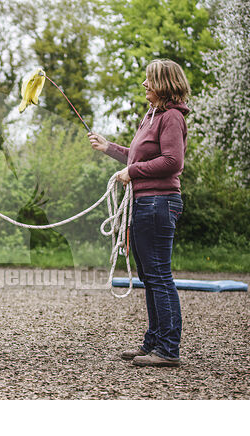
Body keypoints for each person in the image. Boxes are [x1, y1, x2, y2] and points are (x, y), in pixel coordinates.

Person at [88, 59, 191, 367]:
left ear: (164, 85)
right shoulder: (152, 116)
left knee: (159, 275)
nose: (145, 85)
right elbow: (137, 156)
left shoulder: (171, 117)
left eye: (150, 80)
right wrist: (108, 148)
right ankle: (154, 343)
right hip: (147, 204)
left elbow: (173, 162)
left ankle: (168, 350)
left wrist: (131, 171)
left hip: (159, 203)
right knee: (150, 275)